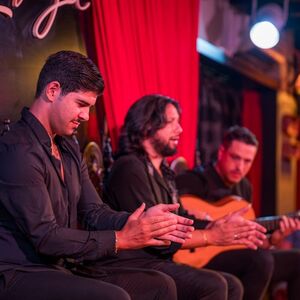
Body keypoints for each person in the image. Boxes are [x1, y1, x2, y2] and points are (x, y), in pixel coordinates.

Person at [0, 50, 197, 300]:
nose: (85, 116)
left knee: (161, 284)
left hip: (61, 266)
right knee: (113, 297)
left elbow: (94, 212)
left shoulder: (67, 145)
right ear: (52, 91)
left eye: (90, 107)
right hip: (19, 272)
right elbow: (46, 237)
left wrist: (141, 222)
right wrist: (121, 239)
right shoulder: (17, 149)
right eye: (81, 104)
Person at [103, 94, 268, 300]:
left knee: (232, 285)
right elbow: (157, 234)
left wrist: (216, 225)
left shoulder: (164, 171)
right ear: (147, 126)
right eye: (172, 122)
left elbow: (183, 218)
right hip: (130, 264)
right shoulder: (129, 167)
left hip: (158, 261)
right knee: (213, 285)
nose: (180, 129)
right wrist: (212, 236)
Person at [176, 125, 300, 300]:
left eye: (247, 161)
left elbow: (246, 241)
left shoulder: (245, 187)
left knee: (296, 259)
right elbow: (174, 210)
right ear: (221, 152)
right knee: (260, 260)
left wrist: (273, 239)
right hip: (198, 256)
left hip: (233, 254)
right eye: (235, 158)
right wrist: (202, 219)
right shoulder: (193, 180)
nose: (240, 167)